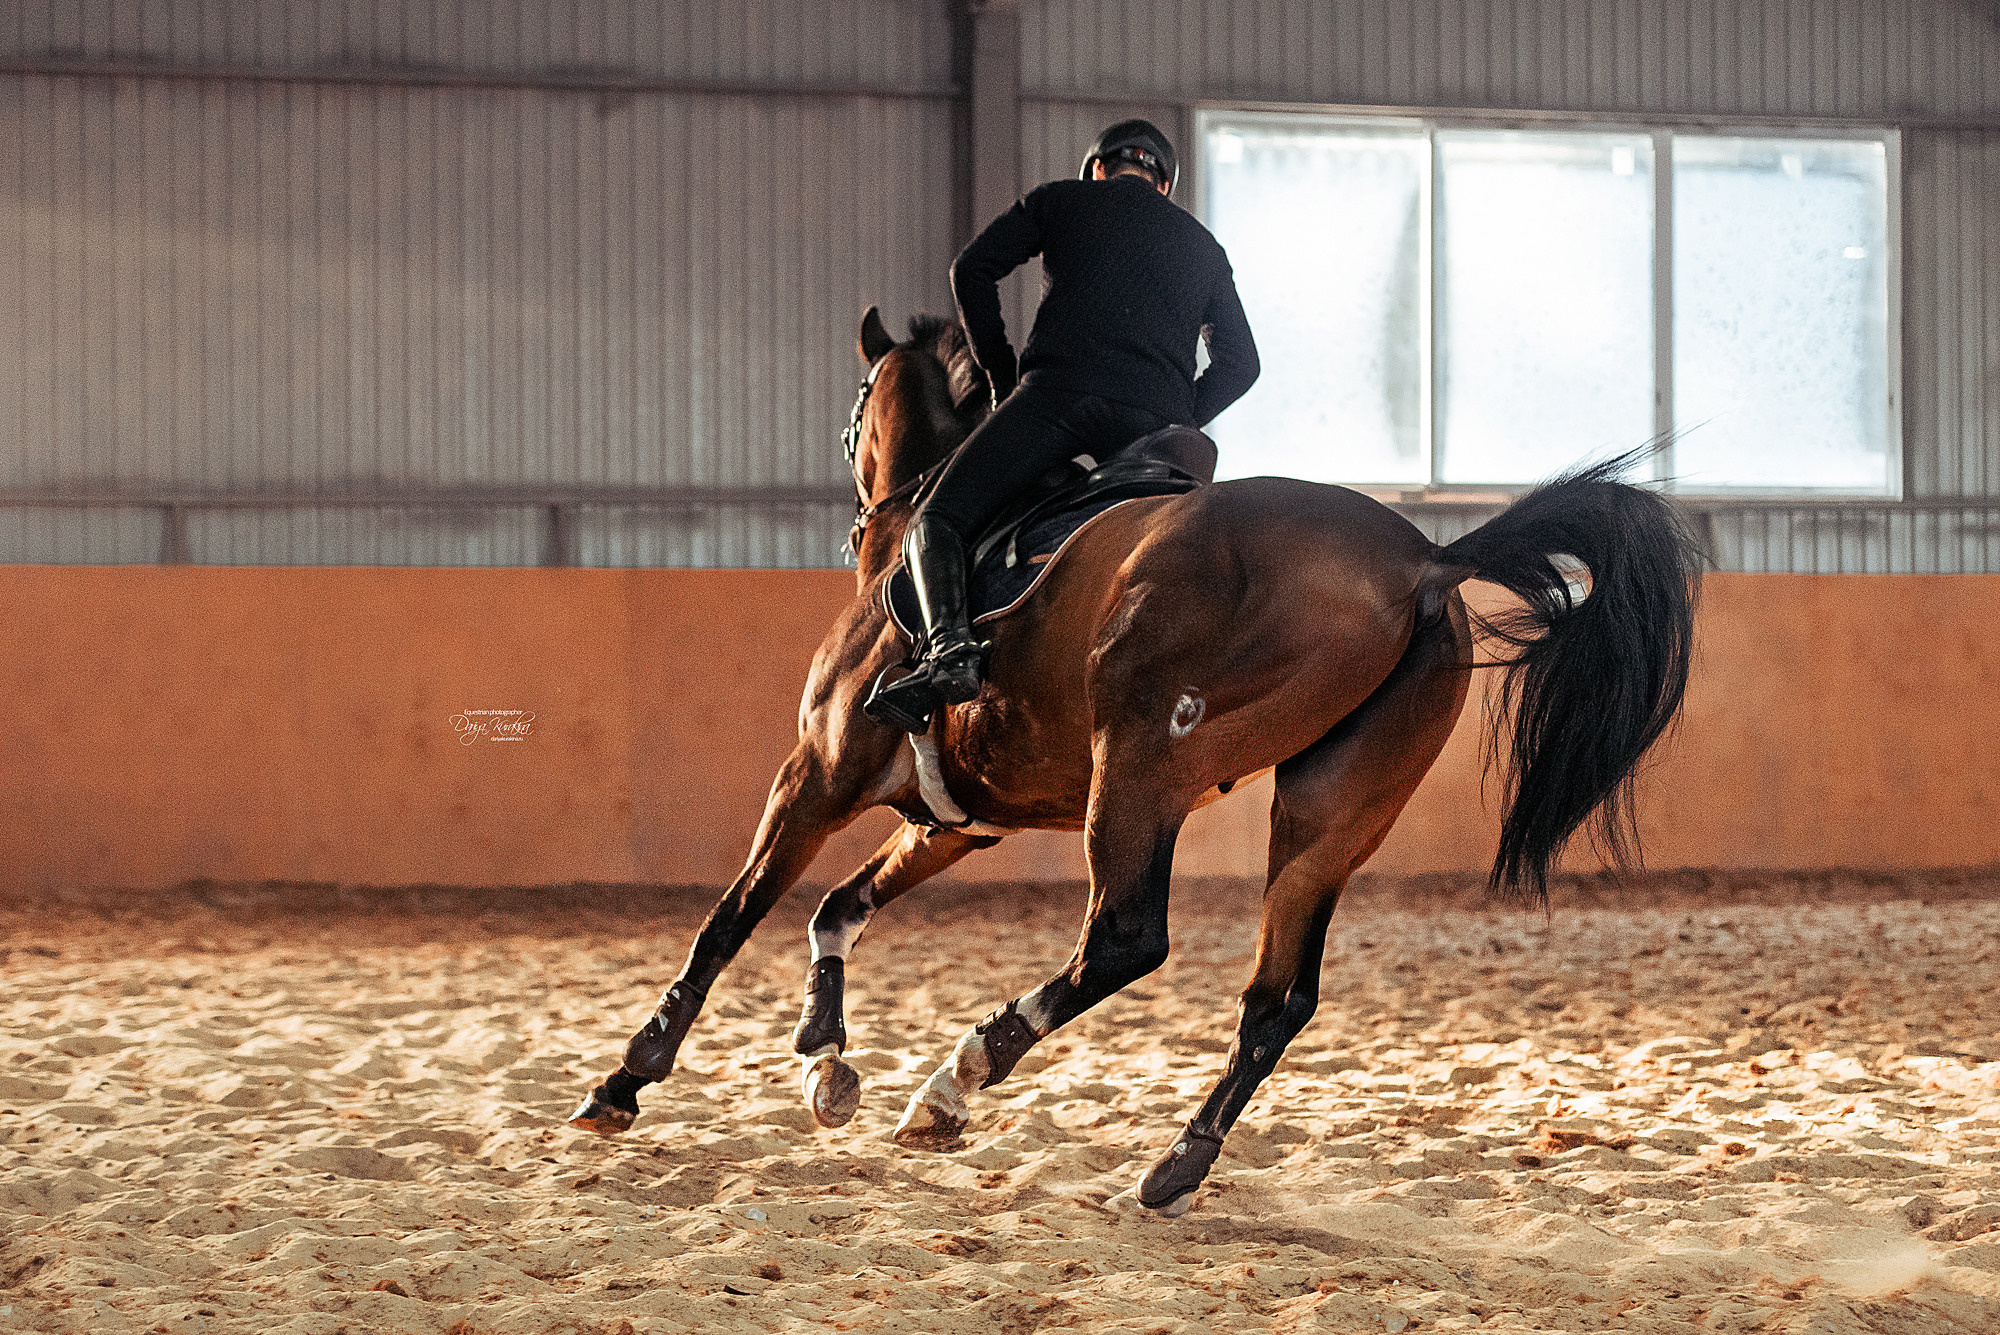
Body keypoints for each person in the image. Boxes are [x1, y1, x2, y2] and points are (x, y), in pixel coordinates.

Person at [865, 119, 1260, 734]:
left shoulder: (1061, 199)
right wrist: (1178, 417)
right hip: (1154, 431)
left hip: (1056, 402)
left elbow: (971, 271)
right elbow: (1243, 364)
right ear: (1163, 187)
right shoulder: (1203, 247)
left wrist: (999, 375)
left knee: (935, 520)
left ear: (1098, 169)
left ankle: (949, 651)